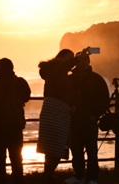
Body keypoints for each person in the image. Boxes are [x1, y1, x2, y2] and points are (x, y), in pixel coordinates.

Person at [65, 50, 109, 184]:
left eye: (85, 60)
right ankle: (78, 175)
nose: (83, 63)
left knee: (91, 150)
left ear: (89, 62)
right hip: (74, 119)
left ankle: (93, 177)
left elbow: (104, 99)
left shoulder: (96, 79)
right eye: (80, 61)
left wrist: (95, 115)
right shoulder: (70, 79)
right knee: (76, 149)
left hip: (90, 120)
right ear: (76, 63)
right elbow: (64, 97)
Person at [37, 49, 75, 184]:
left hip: (49, 108)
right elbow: (65, 66)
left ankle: (48, 175)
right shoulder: (58, 68)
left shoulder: (53, 70)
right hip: (58, 108)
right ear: (63, 58)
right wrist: (78, 59)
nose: (72, 61)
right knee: (58, 145)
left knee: (51, 146)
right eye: (70, 58)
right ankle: (47, 176)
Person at [0, 58, 31, 184]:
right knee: (17, 160)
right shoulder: (19, 82)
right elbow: (26, 96)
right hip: (15, 126)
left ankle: (0, 181)